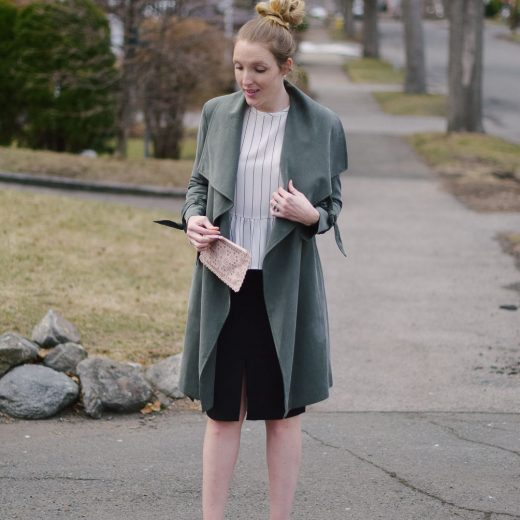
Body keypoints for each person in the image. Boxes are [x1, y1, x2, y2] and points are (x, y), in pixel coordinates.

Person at [178, 1, 348, 518]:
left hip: (284, 283)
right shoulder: (218, 114)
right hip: (223, 278)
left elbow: (332, 208)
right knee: (222, 411)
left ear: (285, 69)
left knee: (282, 413)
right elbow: (198, 186)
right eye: (238, 67)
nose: (246, 80)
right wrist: (193, 220)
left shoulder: (320, 124)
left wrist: (307, 214)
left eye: (258, 69)